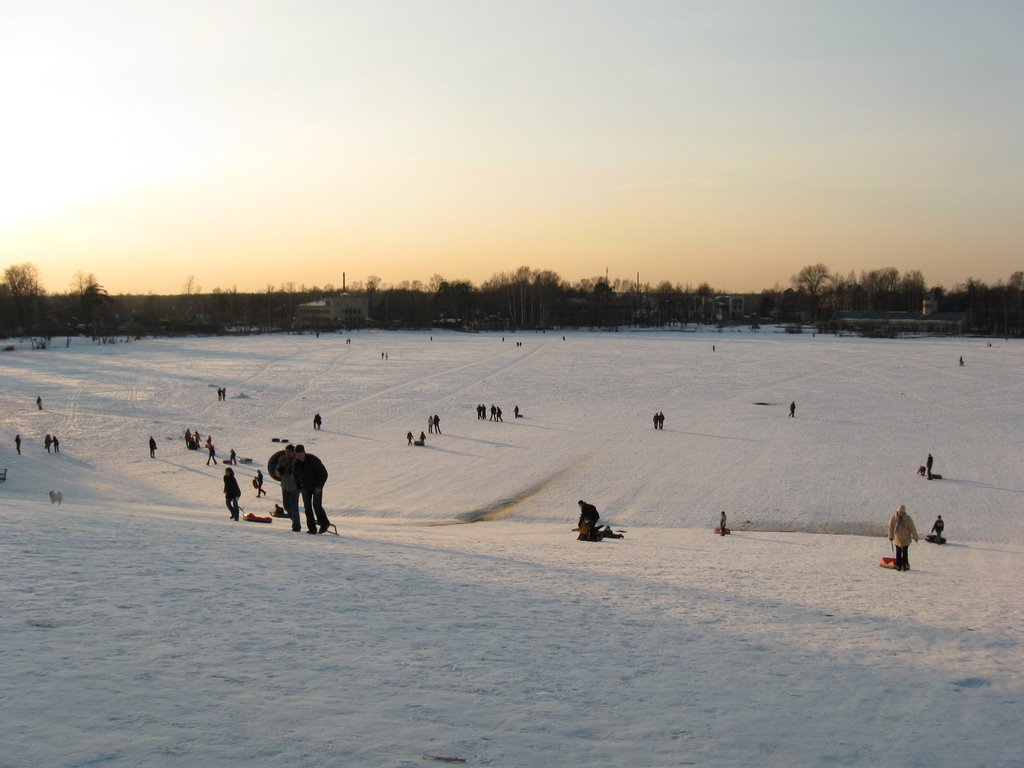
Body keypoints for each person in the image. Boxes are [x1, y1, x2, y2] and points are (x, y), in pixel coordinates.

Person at [293, 444, 331, 534]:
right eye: (297, 455)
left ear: (304, 452)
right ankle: (312, 528)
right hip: (305, 487)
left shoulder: (313, 460)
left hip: (316, 486)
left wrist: (319, 486)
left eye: (300, 455)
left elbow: (324, 474)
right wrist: (299, 487)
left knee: (316, 505)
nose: (299, 457)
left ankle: (324, 523)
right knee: (307, 508)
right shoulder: (296, 463)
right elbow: (295, 476)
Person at [277, 444, 302, 532]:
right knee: (286, 506)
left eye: (289, 452)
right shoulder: (282, 459)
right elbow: (276, 471)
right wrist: (280, 472)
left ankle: (296, 526)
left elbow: (298, 475)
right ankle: (295, 521)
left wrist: (292, 474)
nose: (287, 453)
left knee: (294, 506)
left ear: (293, 452)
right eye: (286, 452)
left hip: (294, 487)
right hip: (284, 486)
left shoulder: (297, 461)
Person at [888, 504, 919, 571]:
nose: (901, 514)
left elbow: (912, 528)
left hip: (906, 538)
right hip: (897, 538)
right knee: (898, 552)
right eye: (900, 512)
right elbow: (891, 528)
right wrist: (890, 536)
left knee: (905, 552)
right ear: (897, 511)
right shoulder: (893, 518)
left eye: (902, 512)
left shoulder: (908, 519)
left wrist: (915, 537)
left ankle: (905, 565)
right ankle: (898, 565)